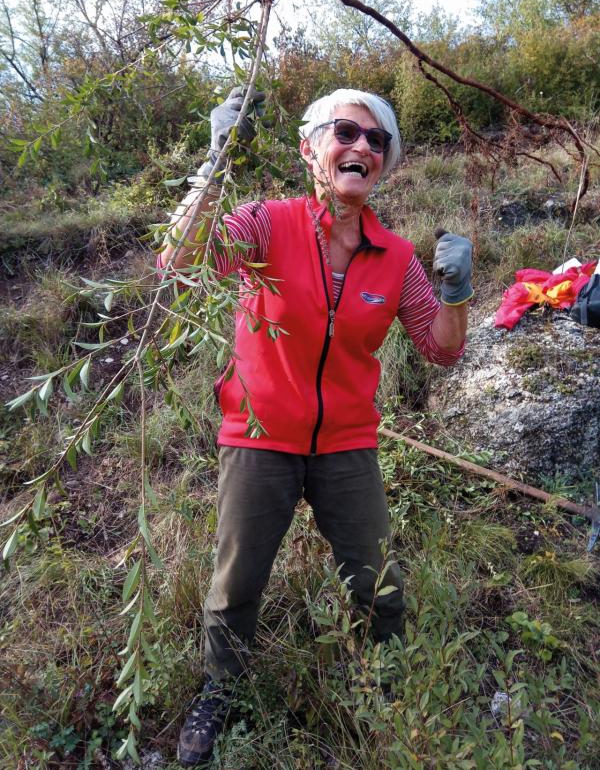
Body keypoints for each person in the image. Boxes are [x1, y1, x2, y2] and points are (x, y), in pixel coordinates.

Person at [159, 87, 473, 767]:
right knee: (236, 583)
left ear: (385, 165)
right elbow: (179, 264)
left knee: (377, 581)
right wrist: (216, 166)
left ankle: (385, 678)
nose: (362, 146)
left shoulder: (395, 259)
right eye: (346, 132)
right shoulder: (263, 222)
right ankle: (221, 688)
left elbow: (442, 348)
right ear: (311, 149)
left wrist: (455, 293)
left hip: (347, 443)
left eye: (377, 139)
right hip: (260, 434)